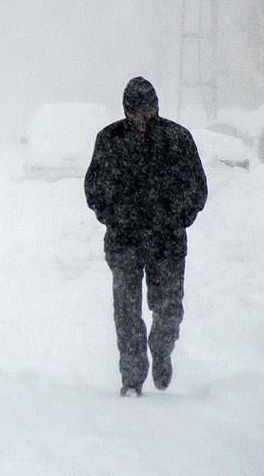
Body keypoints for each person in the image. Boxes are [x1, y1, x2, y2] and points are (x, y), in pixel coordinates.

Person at [84, 77, 207, 397]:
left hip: (167, 242)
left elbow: (197, 187)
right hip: (124, 241)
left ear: (156, 108)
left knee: (169, 308)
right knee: (126, 312)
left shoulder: (177, 139)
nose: (141, 118)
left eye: (147, 111)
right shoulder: (110, 139)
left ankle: (162, 349)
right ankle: (132, 376)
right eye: (134, 112)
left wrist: (178, 217)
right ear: (125, 111)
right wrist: (113, 217)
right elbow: (94, 188)